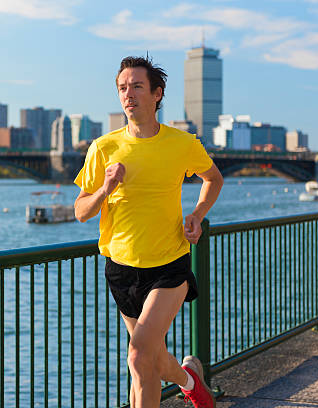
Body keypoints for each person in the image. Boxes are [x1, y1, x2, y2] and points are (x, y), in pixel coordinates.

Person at [74, 56, 223, 408]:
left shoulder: (182, 143)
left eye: (137, 86)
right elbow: (81, 211)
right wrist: (105, 188)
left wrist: (198, 214)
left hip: (169, 264)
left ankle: (190, 382)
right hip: (121, 269)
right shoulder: (103, 148)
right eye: (122, 88)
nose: (129, 94)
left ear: (157, 94)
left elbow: (213, 178)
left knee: (138, 355)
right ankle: (191, 381)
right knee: (151, 361)